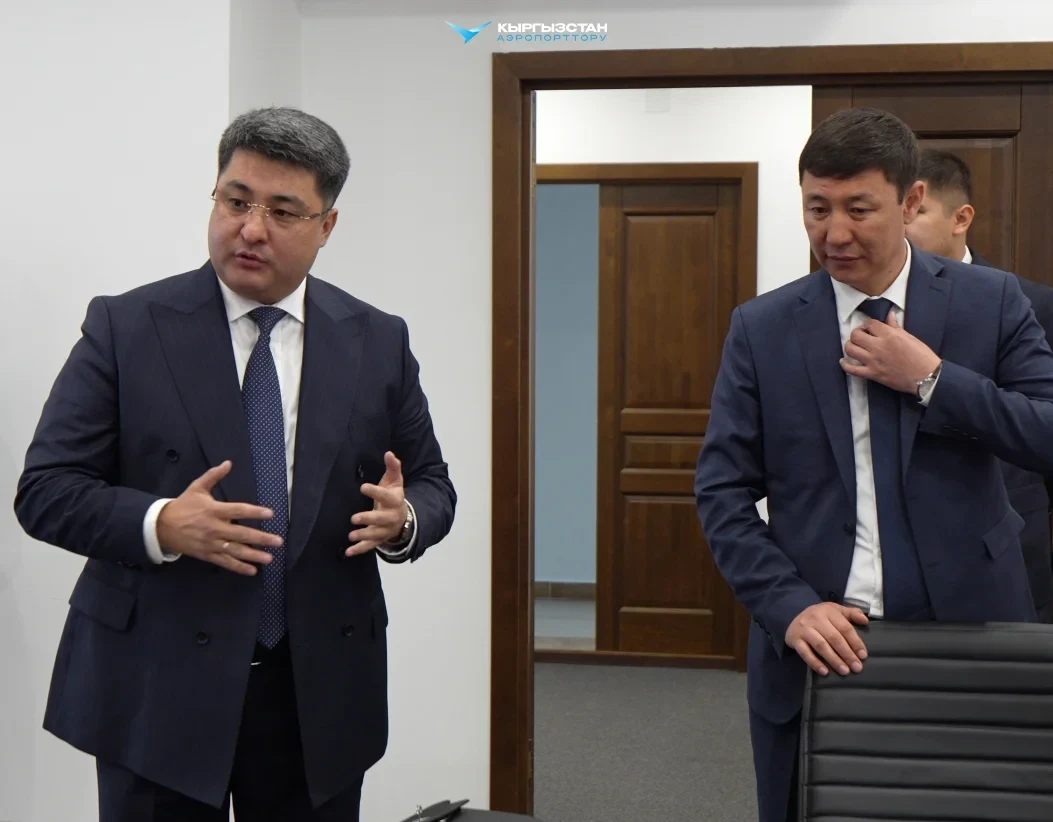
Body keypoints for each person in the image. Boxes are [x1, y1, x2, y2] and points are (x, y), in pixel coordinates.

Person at [14, 107, 456, 822]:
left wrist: (403, 519)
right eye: (236, 200)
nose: (251, 229)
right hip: (156, 682)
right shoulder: (126, 326)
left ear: (327, 226)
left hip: (315, 689)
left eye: (282, 211)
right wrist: (161, 523)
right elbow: (45, 491)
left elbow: (432, 483)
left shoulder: (376, 340)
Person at [694, 107, 1053, 822]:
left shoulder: (991, 302)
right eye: (816, 209)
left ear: (911, 200)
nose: (834, 234)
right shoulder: (761, 328)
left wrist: (934, 380)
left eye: (858, 209)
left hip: (969, 641)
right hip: (820, 644)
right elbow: (721, 491)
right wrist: (787, 604)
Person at [906, 147, 1053, 620]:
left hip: (1009, 539)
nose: (901, 225)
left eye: (918, 211)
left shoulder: (1031, 302)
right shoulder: (867, 304)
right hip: (899, 556)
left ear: (961, 218)